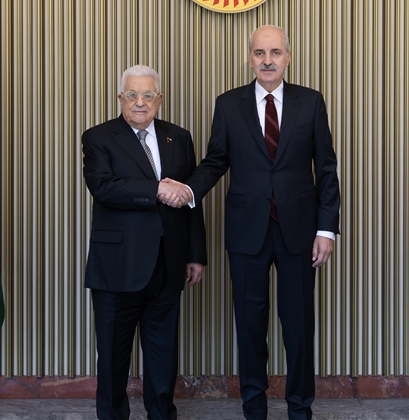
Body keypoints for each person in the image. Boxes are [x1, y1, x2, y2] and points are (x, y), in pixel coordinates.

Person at [163, 25, 340, 419]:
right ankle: (254, 410)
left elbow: (326, 169)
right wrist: (188, 190)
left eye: (275, 53)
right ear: (249, 58)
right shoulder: (229, 104)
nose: (267, 60)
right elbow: (215, 161)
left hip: (299, 233)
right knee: (249, 328)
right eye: (260, 53)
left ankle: (300, 409)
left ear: (288, 57)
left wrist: (326, 229)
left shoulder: (311, 102)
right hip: (247, 234)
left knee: (299, 328)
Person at [81, 64, 206, 420]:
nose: (140, 102)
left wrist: (196, 254)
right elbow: (103, 187)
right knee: (113, 360)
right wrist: (156, 190)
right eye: (132, 94)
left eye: (148, 94)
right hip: (117, 268)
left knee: (163, 358)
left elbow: (191, 200)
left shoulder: (179, 137)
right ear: (120, 98)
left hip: (168, 265)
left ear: (159, 99)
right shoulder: (98, 137)